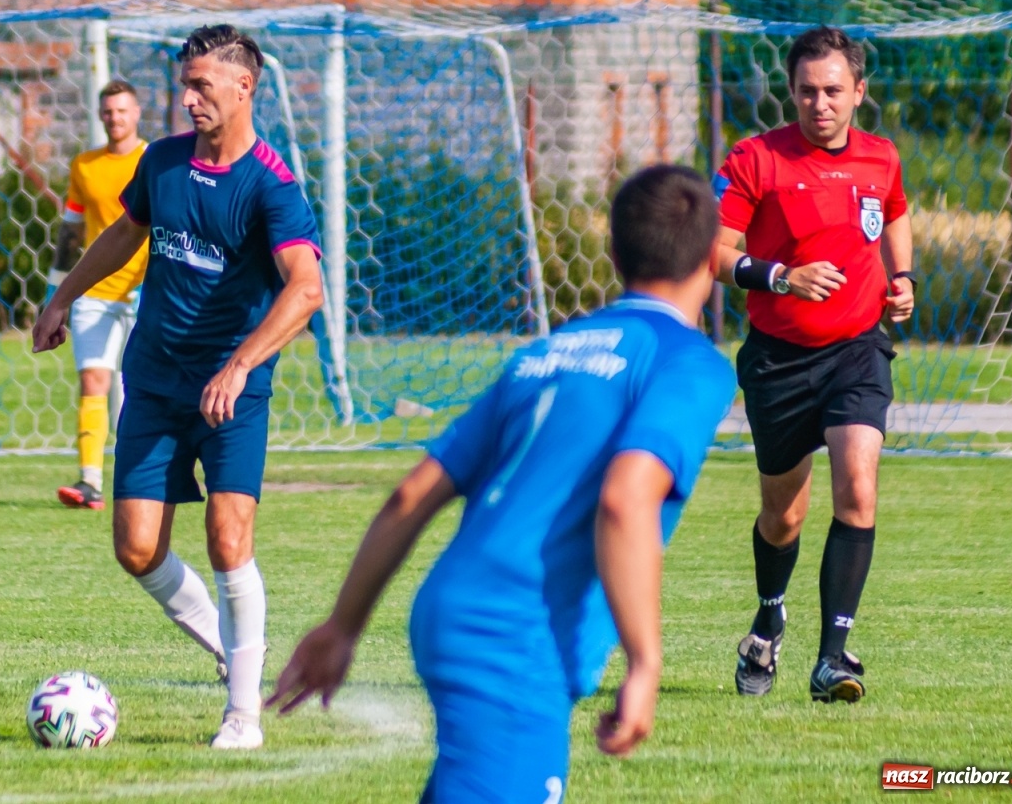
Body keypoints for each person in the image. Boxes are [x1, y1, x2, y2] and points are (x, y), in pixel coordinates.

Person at [270, 165, 736, 803]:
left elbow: (412, 494)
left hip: (451, 607)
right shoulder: (688, 362)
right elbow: (627, 500)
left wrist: (343, 625)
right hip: (515, 635)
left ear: (615, 252)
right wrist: (645, 663)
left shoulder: (545, 352)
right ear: (715, 256)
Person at [32, 24, 325, 750]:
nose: (187, 97)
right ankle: (236, 651)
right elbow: (123, 235)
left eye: (201, 85)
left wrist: (240, 365)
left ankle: (243, 715)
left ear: (243, 87)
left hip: (232, 391)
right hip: (157, 383)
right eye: (184, 84)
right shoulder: (161, 164)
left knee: (229, 539)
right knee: (135, 548)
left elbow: (307, 290)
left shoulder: (272, 185)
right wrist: (63, 296)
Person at [714, 25, 914, 704]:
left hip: (857, 350)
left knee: (858, 487)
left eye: (832, 90)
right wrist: (780, 277)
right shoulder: (755, 158)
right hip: (777, 362)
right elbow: (717, 253)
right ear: (791, 92)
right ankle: (769, 616)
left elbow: (894, 214)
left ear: (859, 91)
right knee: (785, 517)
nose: (819, 103)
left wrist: (904, 275)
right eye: (806, 91)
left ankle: (833, 658)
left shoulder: (881, 158)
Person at [48, 80, 148, 510]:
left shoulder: (153, 160)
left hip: (145, 292)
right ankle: (90, 481)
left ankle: (136, 480)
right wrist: (55, 294)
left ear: (136, 113)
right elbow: (70, 232)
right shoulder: (85, 166)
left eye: (122, 110)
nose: (115, 118)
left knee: (133, 389)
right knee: (94, 379)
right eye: (108, 111)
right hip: (94, 293)